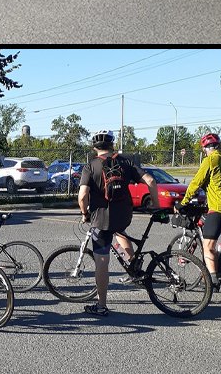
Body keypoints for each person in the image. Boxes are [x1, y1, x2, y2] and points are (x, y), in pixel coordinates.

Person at [77, 129, 158, 317]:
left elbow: (82, 197)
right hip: (124, 215)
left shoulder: (90, 166)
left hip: (101, 219)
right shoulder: (126, 162)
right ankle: (133, 267)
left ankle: (101, 306)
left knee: (102, 262)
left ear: (94, 147)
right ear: (112, 145)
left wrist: (84, 214)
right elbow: (151, 181)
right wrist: (155, 205)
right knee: (120, 231)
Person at [178, 133, 221, 290]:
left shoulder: (210, 160)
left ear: (205, 148)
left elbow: (196, 183)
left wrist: (184, 202)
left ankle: (213, 281)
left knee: (208, 245)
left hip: (218, 208)